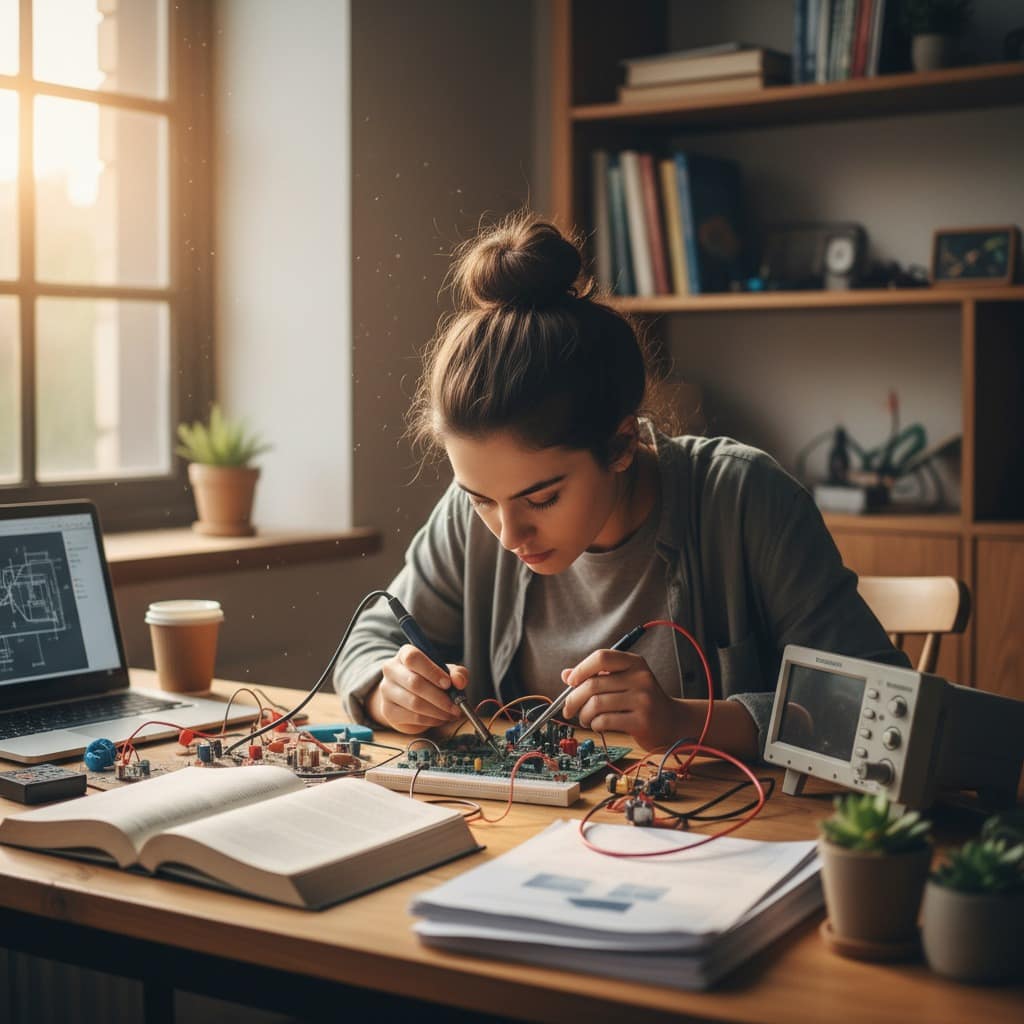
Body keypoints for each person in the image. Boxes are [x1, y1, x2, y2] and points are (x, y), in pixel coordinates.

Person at [334, 213, 907, 760]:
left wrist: (687, 720)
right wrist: (392, 693)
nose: (509, 534)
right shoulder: (470, 517)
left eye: (542, 498)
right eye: (482, 500)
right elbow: (368, 644)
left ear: (621, 445)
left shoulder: (743, 499)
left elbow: (880, 716)